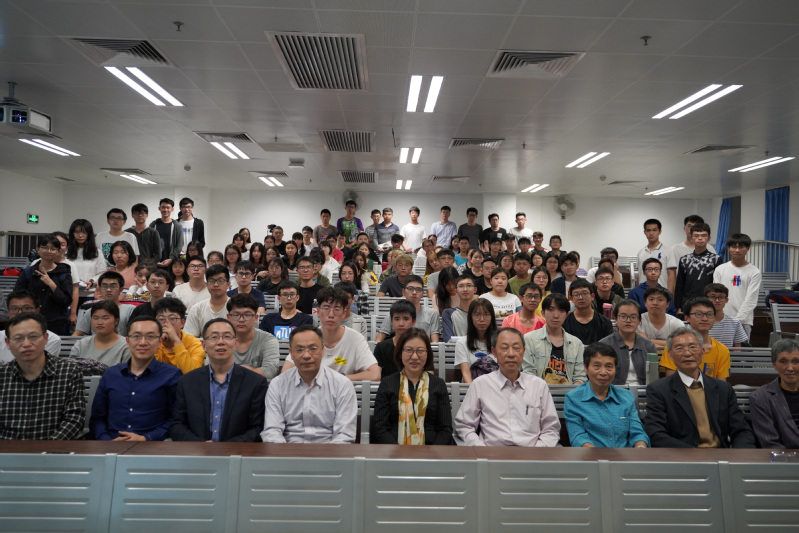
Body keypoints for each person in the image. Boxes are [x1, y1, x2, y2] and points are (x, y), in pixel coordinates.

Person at [644, 327, 755, 448]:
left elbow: (741, 431)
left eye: (693, 347)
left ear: (702, 352)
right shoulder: (659, 390)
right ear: (670, 355)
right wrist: (693, 455)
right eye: (679, 348)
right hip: (683, 455)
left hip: (720, 455)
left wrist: (742, 456)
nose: (687, 353)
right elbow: (656, 434)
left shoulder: (723, 389)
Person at [455, 328, 560, 447]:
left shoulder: (539, 386)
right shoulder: (480, 385)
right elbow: (464, 425)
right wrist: (481, 449)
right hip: (491, 454)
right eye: (504, 348)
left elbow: (551, 429)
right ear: (494, 352)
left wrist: (536, 452)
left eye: (516, 348)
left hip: (531, 454)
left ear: (523, 351)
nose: (511, 354)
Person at [170, 318, 267, 442]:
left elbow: (258, 428)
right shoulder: (187, 382)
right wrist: (201, 445)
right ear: (204, 345)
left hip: (237, 451)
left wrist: (226, 448)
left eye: (227, 336)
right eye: (214, 337)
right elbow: (177, 425)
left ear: (235, 343)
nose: (221, 342)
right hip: (197, 451)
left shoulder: (255, 382)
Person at [90, 316, 181, 441]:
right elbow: (97, 418)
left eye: (150, 337)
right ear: (127, 341)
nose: (143, 342)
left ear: (160, 342)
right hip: (111, 444)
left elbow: (175, 420)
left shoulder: (171, 375)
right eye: (136, 336)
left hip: (152, 446)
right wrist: (107, 441)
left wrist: (146, 438)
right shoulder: (110, 374)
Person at [262, 325, 356, 443]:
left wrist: (329, 455)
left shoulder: (342, 385)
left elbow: (345, 435)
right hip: (288, 450)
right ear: (291, 353)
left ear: (322, 350)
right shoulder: (278, 385)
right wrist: (284, 454)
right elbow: (272, 431)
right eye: (299, 349)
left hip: (329, 450)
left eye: (313, 349)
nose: (306, 355)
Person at [0, 312, 84, 439]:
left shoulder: (69, 371)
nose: (26, 344)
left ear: (45, 338)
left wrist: (49, 447)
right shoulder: (2, 376)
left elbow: (74, 419)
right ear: (7, 343)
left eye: (33, 336)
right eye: (18, 338)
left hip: (53, 448)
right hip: (7, 447)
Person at [372, 328, 454, 445]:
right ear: (400, 353)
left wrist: (432, 453)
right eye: (409, 350)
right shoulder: (387, 383)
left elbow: (445, 429)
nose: (414, 357)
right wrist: (396, 451)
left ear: (428, 354)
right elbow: (380, 428)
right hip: (393, 451)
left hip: (431, 451)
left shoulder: (438, 384)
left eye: (420, 351)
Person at [280, 287, 380, 380]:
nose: (331, 315)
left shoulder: (356, 339)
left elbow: (375, 375)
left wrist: (338, 380)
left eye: (336, 309)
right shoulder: (306, 338)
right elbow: (285, 373)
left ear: (344, 313)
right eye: (326, 308)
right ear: (317, 311)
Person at [564, 342, 650, 448]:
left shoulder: (626, 397)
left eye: (609, 367)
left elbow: (637, 432)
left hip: (625, 456)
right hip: (590, 456)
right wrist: (600, 456)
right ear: (585, 367)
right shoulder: (573, 398)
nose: (603, 372)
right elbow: (578, 437)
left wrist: (640, 448)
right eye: (597, 366)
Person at [14, 234, 73, 335]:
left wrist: (51, 284)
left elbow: (66, 301)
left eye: (53, 249)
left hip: (56, 323)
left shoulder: (64, 272)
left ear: (58, 251)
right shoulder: (28, 272)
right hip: (30, 321)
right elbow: (17, 295)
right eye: (44, 247)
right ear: (38, 249)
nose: (48, 251)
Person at [659, 297, 731, 380]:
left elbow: (721, 383)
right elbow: (672, 380)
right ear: (687, 318)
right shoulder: (675, 345)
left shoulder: (722, 350)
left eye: (709, 314)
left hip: (710, 388)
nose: (705, 319)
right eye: (698, 314)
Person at [523, 293, 586, 385]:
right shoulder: (529, 339)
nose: (556, 315)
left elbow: (580, 377)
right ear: (543, 313)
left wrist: (571, 392)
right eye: (551, 309)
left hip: (568, 392)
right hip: (538, 391)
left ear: (566, 315)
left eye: (561, 310)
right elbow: (528, 373)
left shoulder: (577, 343)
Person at [749, 339, 799, 448]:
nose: (790, 368)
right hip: (784, 457)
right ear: (774, 365)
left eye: (796, 361)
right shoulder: (760, 398)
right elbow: (770, 443)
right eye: (783, 361)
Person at [598, 300, 657, 386]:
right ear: (616, 319)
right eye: (623, 316)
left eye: (633, 317)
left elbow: (653, 378)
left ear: (639, 321)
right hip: (613, 391)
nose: (628, 320)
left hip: (644, 391)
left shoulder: (649, 346)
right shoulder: (604, 345)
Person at [712, 233, 761, 337]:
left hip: (743, 321)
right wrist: (721, 317)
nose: (737, 250)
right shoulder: (720, 269)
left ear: (748, 248)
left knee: (742, 348)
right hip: (721, 319)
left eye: (741, 247)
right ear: (729, 248)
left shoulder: (754, 272)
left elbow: (751, 299)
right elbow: (716, 296)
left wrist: (737, 320)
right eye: (734, 247)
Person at [226, 293, 280, 379]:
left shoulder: (268, 340)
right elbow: (213, 369)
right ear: (228, 317)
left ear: (256, 318)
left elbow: (270, 371)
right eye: (236, 315)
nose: (241, 319)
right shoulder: (220, 339)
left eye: (247, 315)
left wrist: (236, 371)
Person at [0, 290, 62, 364]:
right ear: (8, 313)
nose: (20, 312)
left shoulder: (52, 339)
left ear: (37, 311)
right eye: (14, 309)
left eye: (26, 308)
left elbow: (38, 367)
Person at [376, 275, 442, 343]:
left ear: (423, 293)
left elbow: (435, 342)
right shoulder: (394, 313)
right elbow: (378, 340)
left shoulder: (432, 314)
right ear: (403, 292)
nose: (414, 292)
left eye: (418, 289)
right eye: (410, 289)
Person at [674, 223, 723, 312]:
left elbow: (718, 286)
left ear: (709, 238)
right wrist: (678, 306)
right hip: (688, 304)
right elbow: (680, 285)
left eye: (703, 235)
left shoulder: (716, 259)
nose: (700, 238)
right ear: (691, 238)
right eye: (696, 236)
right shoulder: (684, 260)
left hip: (709, 304)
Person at [73, 271, 135, 336]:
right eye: (105, 286)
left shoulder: (130, 310)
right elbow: (77, 333)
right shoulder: (91, 311)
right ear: (99, 289)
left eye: (113, 286)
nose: (108, 290)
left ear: (121, 289)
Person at [70, 300, 131, 365]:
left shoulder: (126, 346)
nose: (99, 322)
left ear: (116, 320)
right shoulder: (81, 345)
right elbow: (71, 368)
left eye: (105, 318)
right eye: (95, 318)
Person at [668, 215, 717, 294]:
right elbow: (672, 274)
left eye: (696, 226)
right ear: (684, 228)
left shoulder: (710, 248)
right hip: (685, 290)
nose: (692, 228)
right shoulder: (675, 249)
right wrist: (671, 295)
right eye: (689, 226)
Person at [66, 219, 108, 304]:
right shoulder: (66, 252)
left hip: (90, 295)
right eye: (77, 232)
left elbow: (102, 273)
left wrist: (92, 282)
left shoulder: (96, 252)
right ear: (72, 233)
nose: (80, 235)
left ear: (89, 234)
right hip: (69, 294)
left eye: (84, 232)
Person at [455, 299, 497, 383]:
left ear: (492, 317)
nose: (482, 319)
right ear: (471, 317)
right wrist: (473, 390)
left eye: (486, 314)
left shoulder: (499, 341)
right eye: (477, 315)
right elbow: (466, 373)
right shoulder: (462, 342)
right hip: (471, 388)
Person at [183, 265, 231, 337]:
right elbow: (190, 339)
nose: (216, 284)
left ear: (228, 284)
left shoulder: (236, 308)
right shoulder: (197, 309)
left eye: (220, 281)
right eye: (211, 281)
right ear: (207, 284)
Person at [563, 278, 613, 345]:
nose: (580, 297)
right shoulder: (565, 322)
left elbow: (608, 348)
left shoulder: (605, 322)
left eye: (584, 293)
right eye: (576, 294)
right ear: (572, 299)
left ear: (592, 296)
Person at [373, 300, 417, 376]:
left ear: (414, 321)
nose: (401, 324)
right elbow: (376, 376)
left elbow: (429, 374)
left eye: (406, 319)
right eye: (397, 319)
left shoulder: (421, 346)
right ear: (391, 321)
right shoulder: (381, 347)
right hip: (387, 383)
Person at [705, 283, 748, 348]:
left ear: (726, 300)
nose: (717, 300)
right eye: (713, 297)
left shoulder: (735, 322)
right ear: (706, 299)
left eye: (721, 297)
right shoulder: (699, 321)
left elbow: (737, 349)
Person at [637, 218, 672, 288]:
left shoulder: (668, 251)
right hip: (643, 291)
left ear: (660, 231)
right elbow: (639, 274)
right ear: (644, 232)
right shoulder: (640, 252)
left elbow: (672, 275)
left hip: (661, 291)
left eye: (654, 230)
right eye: (648, 230)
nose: (651, 233)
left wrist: (670, 293)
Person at [442, 274, 478, 341]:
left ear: (475, 290)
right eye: (461, 286)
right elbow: (448, 339)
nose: (465, 289)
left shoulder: (481, 313)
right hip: (456, 347)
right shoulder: (448, 313)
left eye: (469, 285)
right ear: (456, 291)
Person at [150, 198, 182, 268]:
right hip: (155, 263)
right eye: (163, 207)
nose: (165, 210)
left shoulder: (177, 226)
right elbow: (149, 244)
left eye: (168, 208)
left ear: (172, 209)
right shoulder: (153, 225)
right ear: (159, 208)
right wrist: (153, 260)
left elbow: (179, 245)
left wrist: (171, 259)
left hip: (171, 262)